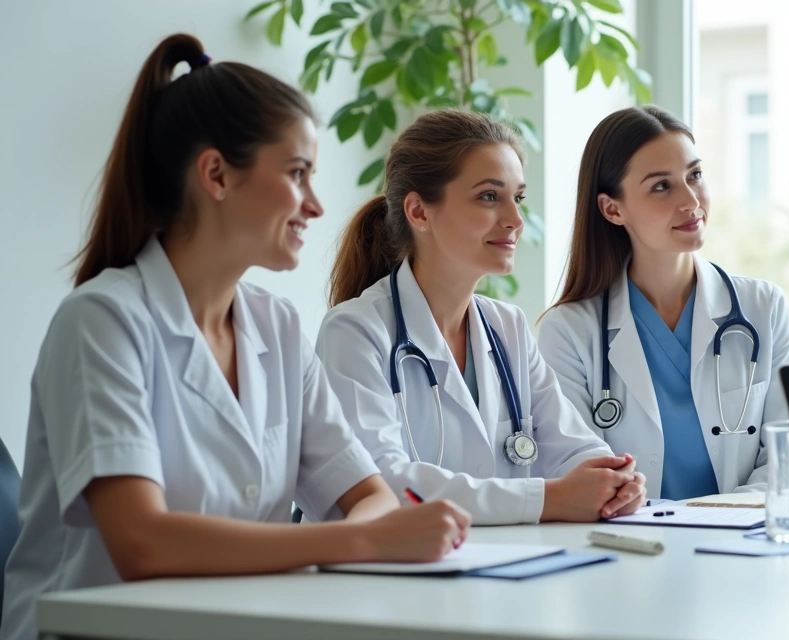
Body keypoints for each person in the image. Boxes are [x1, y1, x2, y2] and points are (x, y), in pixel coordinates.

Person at [0, 34, 471, 640]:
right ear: (217, 175)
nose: (316, 206)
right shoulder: (102, 321)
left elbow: (370, 496)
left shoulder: (278, 328)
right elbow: (142, 543)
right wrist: (364, 540)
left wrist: (374, 530)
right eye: (297, 174)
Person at [317, 109, 647, 526]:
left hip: (500, 559)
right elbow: (379, 484)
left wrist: (614, 479)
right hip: (392, 565)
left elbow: (573, 446)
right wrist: (547, 499)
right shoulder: (355, 331)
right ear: (419, 212)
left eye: (517, 198)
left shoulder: (507, 328)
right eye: (489, 197)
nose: (515, 220)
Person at [536, 106, 789, 501]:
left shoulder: (764, 308)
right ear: (613, 209)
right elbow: (581, 471)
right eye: (662, 186)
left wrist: (718, 520)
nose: (691, 200)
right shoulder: (569, 331)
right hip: (628, 536)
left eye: (694, 175)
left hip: (742, 531)